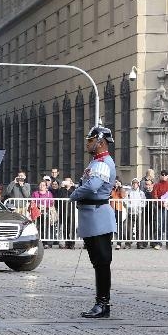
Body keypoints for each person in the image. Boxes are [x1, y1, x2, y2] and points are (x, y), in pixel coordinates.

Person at [71, 125, 117, 318]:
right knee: (99, 262)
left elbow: (92, 187)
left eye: (91, 140)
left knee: (101, 262)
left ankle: (102, 303)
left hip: (98, 216)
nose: (88, 143)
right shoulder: (96, 162)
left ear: (100, 141)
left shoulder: (103, 163)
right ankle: (101, 302)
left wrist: (73, 194)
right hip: (92, 216)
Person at [31, 180, 55, 245]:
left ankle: (46, 242)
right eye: (40, 185)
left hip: (46, 212)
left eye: (43, 185)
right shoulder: (35, 193)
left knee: (46, 227)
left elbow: (52, 203)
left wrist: (45, 206)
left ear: (46, 187)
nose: (42, 186)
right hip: (37, 212)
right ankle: (38, 242)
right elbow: (32, 202)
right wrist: (37, 205)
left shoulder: (49, 193)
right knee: (37, 227)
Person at [125, 178, 146, 248]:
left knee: (139, 228)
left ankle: (139, 243)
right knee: (129, 228)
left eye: (136, 183)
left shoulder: (141, 193)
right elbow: (125, 201)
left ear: (138, 184)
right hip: (130, 212)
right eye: (133, 183)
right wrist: (130, 206)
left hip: (139, 212)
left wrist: (140, 206)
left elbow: (144, 202)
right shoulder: (128, 192)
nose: (134, 185)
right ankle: (128, 243)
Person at [110, 179, 128, 248]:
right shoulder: (111, 189)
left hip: (118, 208)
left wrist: (120, 187)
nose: (116, 183)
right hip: (111, 209)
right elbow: (109, 195)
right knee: (110, 226)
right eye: (114, 182)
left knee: (119, 226)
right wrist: (112, 187)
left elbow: (123, 196)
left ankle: (119, 243)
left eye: (117, 182)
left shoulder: (120, 189)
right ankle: (110, 242)